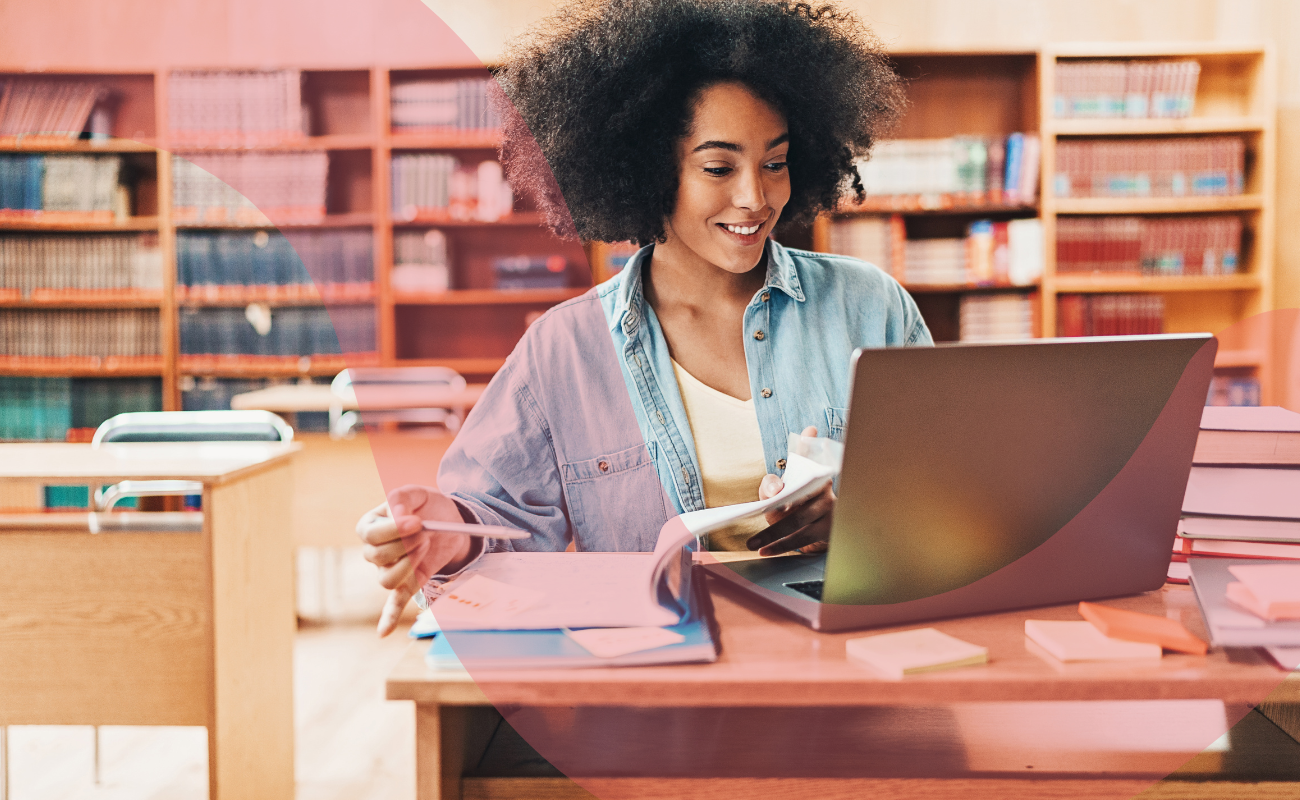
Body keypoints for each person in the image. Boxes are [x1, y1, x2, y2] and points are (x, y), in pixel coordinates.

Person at [359, 0, 931, 636]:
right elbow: (498, 526)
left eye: (775, 162)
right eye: (718, 167)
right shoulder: (565, 349)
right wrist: (449, 536)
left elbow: (952, 500)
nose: (756, 197)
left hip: (850, 669)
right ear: (649, 170)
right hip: (659, 684)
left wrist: (860, 512)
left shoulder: (871, 308)